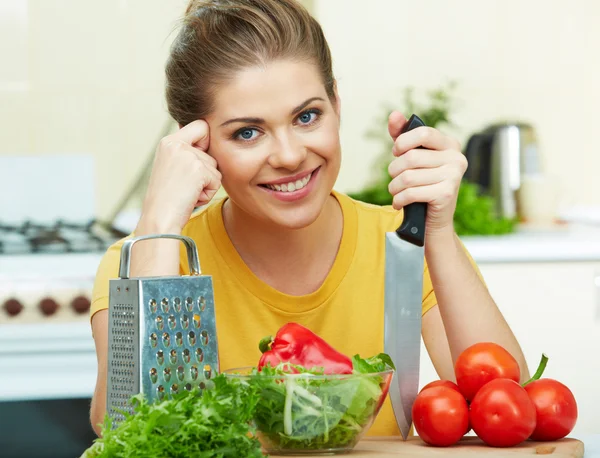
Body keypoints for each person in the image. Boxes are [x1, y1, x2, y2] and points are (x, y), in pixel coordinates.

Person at [88, 0, 529, 438]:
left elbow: (512, 408)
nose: (290, 155)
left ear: (336, 103)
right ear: (195, 145)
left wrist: (439, 232)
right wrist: (160, 221)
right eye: (247, 132)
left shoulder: (404, 243)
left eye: (307, 116)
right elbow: (127, 432)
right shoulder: (144, 263)